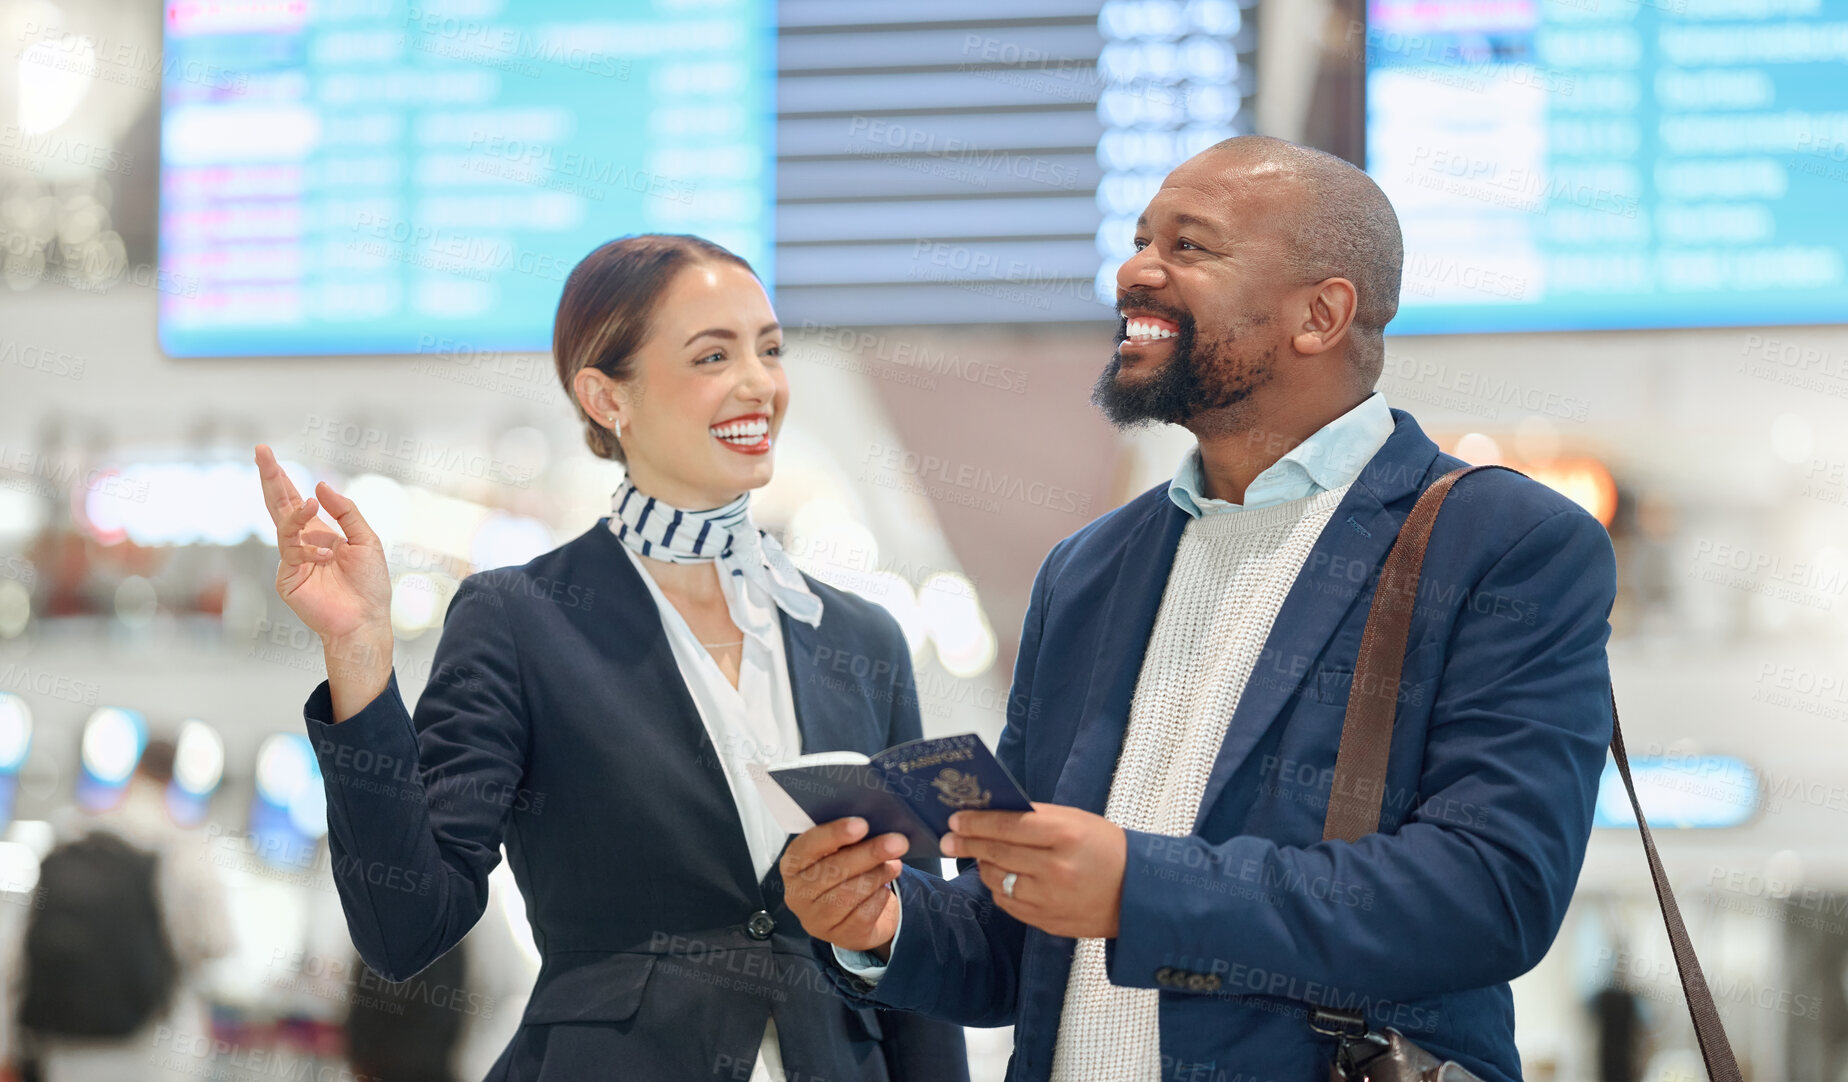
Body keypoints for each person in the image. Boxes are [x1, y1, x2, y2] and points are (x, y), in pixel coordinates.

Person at [781, 135, 1618, 1082]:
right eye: (1141, 240)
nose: (1137, 270)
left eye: (1191, 247)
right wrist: (883, 923)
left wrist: (1141, 886)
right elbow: (1019, 938)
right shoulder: (1090, 569)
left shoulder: (1502, 542)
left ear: (1320, 314)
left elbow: (1489, 895)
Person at [253, 233, 967, 1082]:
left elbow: (917, 936)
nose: (759, 384)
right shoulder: (520, 620)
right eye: (713, 354)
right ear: (605, 396)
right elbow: (407, 926)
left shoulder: (859, 637)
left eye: (770, 350)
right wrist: (359, 650)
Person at [2, 738, 234, 1082]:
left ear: (135, 770)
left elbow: (14, 953)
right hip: (152, 1046)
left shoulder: (72, 834)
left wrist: (7, 1046)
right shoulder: (183, 845)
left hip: (65, 1043)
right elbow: (219, 941)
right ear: (174, 780)